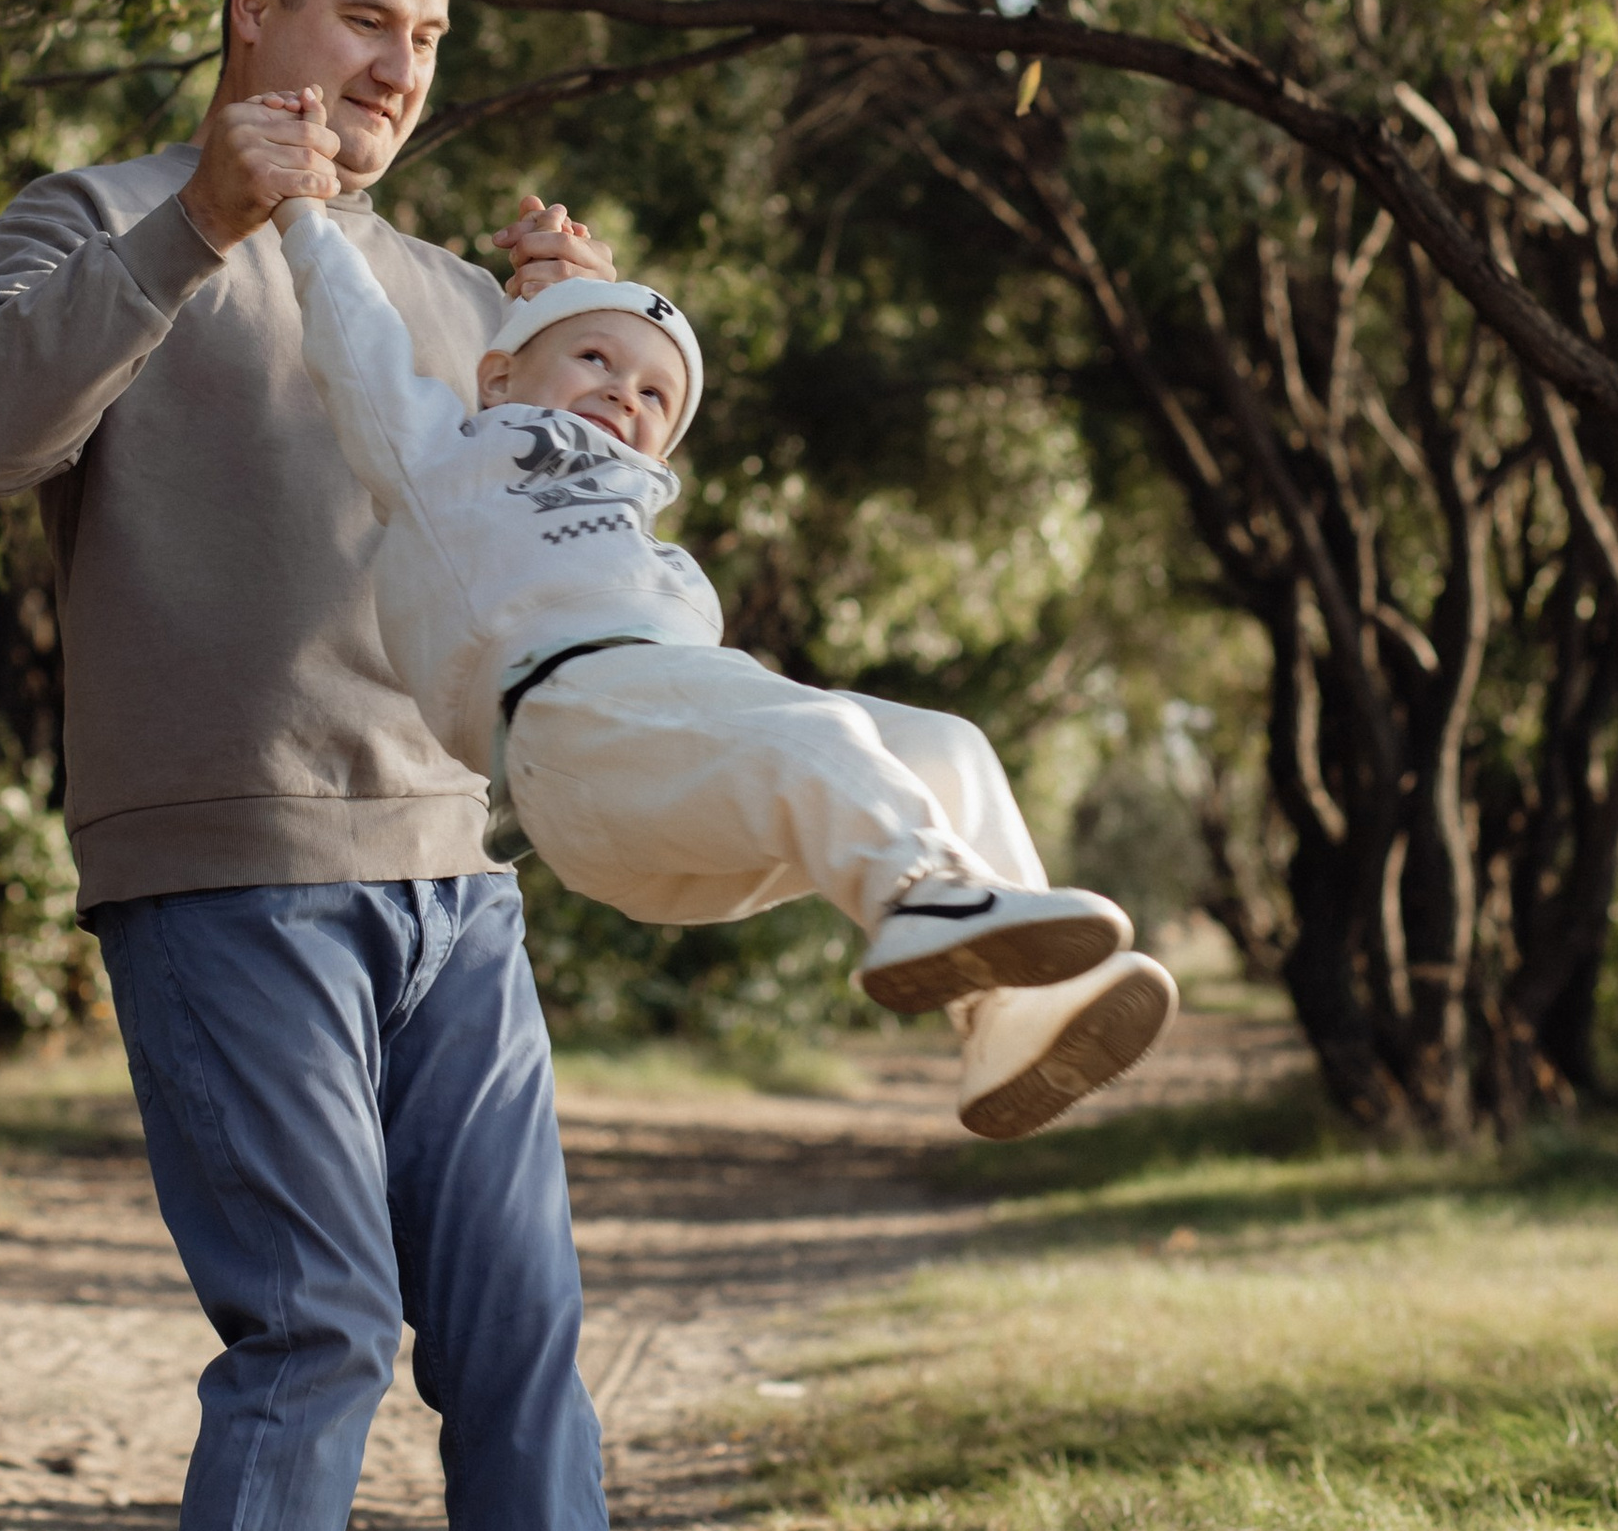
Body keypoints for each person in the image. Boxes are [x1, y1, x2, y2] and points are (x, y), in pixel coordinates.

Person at [0, 0, 672, 1531]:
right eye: (363, 17)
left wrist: (584, 337)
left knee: (519, 1350)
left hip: (453, 878)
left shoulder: (451, 299)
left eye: (426, 37)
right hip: (225, 866)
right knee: (318, 1329)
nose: (395, 67)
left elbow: (582, 554)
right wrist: (202, 222)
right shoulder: (97, 224)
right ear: (253, 7)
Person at [270, 171, 1178, 1139]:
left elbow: (564, 398)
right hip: (568, 733)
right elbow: (358, 349)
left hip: (683, 802)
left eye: (654, 391)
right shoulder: (446, 458)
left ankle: (1007, 1014)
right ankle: (925, 898)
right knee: (816, 732)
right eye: (594, 360)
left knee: (941, 747)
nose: (623, 391)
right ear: (495, 378)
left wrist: (562, 312)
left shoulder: (639, 533)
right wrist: (305, 218)